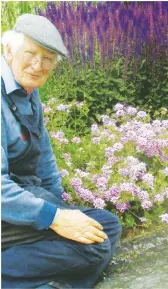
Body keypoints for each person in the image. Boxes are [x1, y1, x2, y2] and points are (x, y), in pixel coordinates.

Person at [1, 14, 122, 289]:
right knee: (95, 247)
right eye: (30, 54)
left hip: (26, 203)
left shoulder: (28, 90)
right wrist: (53, 218)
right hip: (6, 210)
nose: (37, 65)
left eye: (47, 60)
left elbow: (44, 159)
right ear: (9, 50)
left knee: (106, 227)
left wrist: (61, 213)